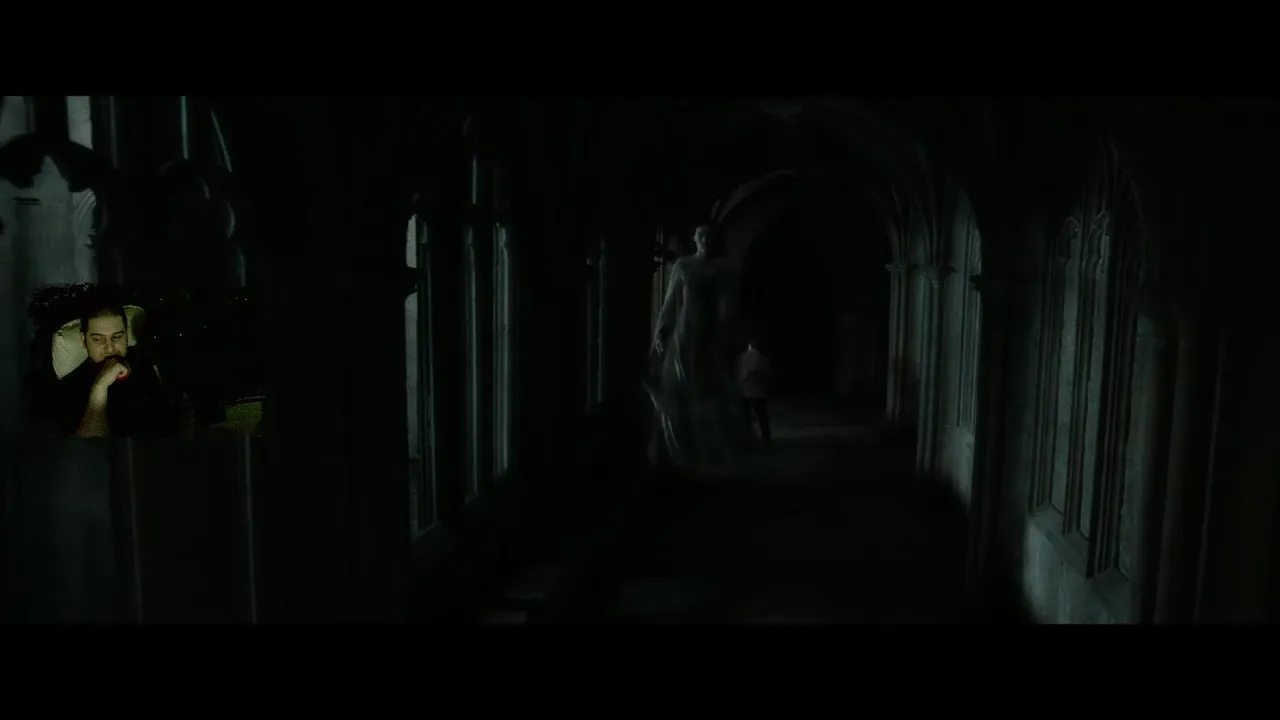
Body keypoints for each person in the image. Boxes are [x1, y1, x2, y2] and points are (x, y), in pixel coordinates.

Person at [646, 224, 748, 470]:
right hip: (686, 331)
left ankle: (710, 449)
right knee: (681, 385)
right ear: (695, 239)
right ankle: (681, 447)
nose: (705, 240)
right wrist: (662, 330)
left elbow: (731, 306)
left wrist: (730, 332)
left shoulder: (726, 268)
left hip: (713, 335)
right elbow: (670, 301)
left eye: (709, 236)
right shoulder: (683, 265)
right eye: (701, 235)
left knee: (711, 386)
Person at [47, 300, 185, 438]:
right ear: (84, 340)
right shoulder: (72, 387)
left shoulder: (144, 360)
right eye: (98, 339)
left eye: (117, 337)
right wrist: (100, 387)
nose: (109, 348)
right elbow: (89, 447)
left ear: (126, 335)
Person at [737, 337, 772, 448]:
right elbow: (767, 375)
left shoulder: (742, 358)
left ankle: (746, 440)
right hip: (758, 392)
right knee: (762, 417)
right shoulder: (762, 358)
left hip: (744, 392)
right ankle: (766, 439)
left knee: (745, 418)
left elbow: (738, 374)